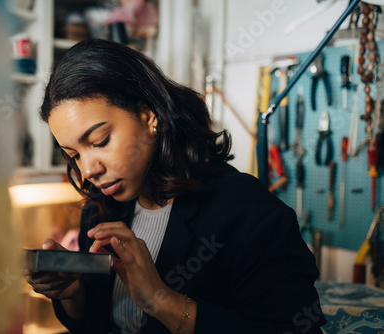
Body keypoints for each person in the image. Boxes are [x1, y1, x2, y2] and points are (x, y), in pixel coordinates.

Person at [26, 38, 326, 334]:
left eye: (100, 141)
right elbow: (94, 322)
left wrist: (163, 301)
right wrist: (71, 292)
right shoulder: (101, 206)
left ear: (148, 116)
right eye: (73, 155)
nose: (88, 170)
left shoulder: (249, 211)